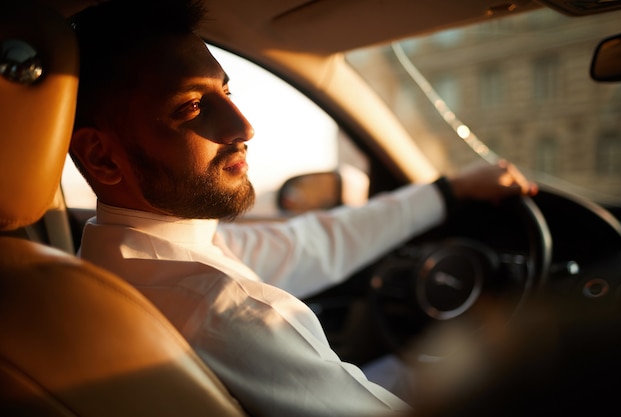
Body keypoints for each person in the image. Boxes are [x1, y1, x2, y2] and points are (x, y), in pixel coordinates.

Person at [68, 0, 538, 416]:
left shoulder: (117, 264)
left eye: (226, 93)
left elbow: (308, 245)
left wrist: (450, 191)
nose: (243, 126)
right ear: (102, 157)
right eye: (191, 106)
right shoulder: (227, 309)